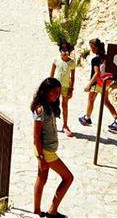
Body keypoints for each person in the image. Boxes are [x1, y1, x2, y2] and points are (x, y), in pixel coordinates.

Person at [32, 77, 74, 218]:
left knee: (42, 179)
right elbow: (36, 137)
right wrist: (41, 158)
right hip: (45, 151)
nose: (57, 95)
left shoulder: (49, 106)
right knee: (68, 178)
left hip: (45, 150)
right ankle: (52, 210)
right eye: (54, 92)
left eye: (58, 92)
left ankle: (37, 212)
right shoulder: (41, 109)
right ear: (46, 91)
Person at [78, 38, 117, 131]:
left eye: (92, 48)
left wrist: (89, 85)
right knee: (106, 102)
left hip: (96, 83)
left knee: (91, 100)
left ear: (97, 48)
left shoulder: (95, 60)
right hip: (106, 83)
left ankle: (87, 118)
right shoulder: (108, 58)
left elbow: (96, 73)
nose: (91, 50)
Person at [49, 42, 76, 137]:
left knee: (65, 105)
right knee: (53, 104)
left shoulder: (72, 63)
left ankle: (65, 125)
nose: (64, 52)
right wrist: (49, 85)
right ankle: (51, 123)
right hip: (55, 85)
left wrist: (71, 89)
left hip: (65, 86)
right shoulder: (56, 60)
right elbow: (51, 74)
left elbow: (72, 77)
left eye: (66, 50)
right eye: (62, 50)